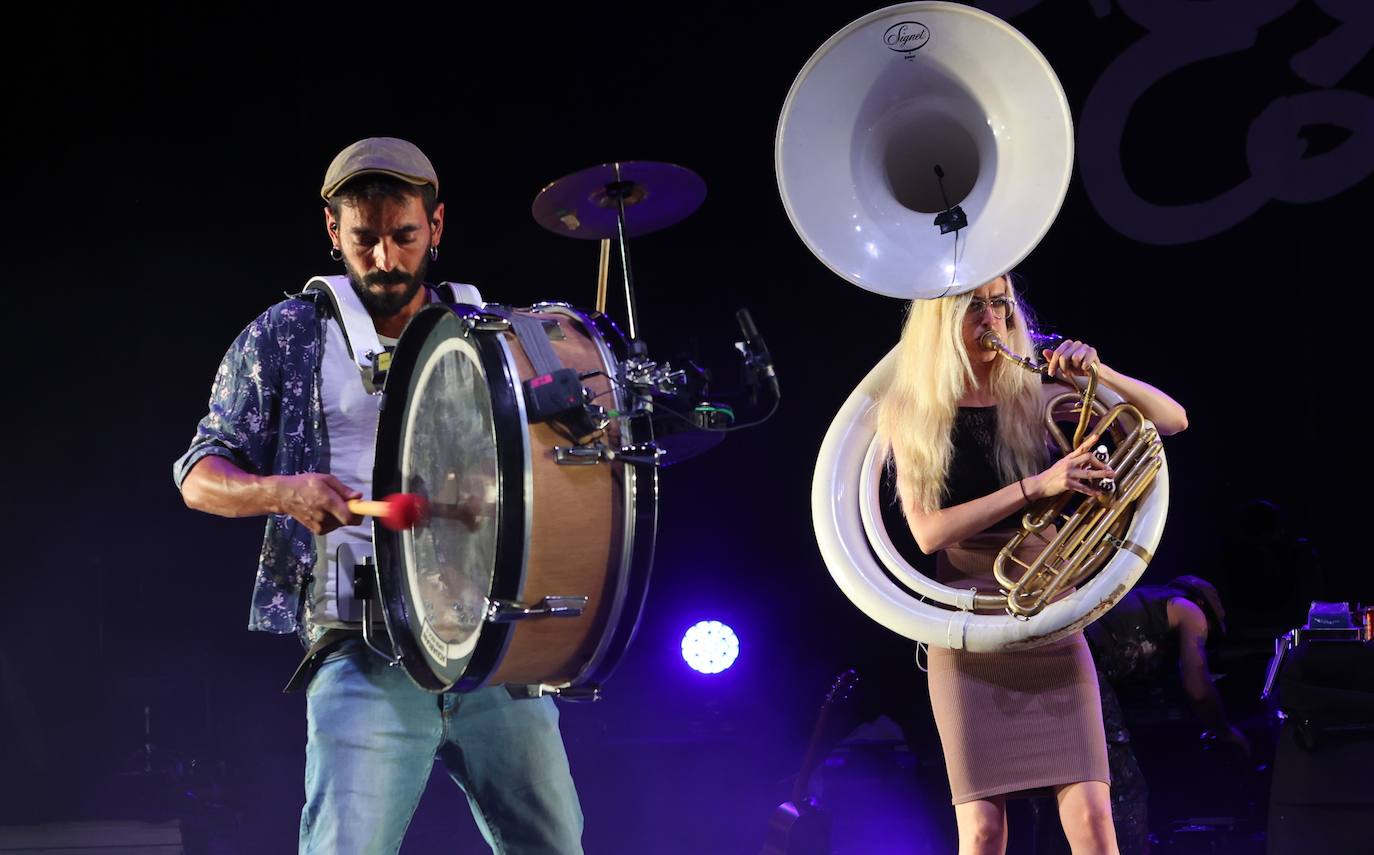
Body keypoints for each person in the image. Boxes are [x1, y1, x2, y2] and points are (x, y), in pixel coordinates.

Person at [173, 137, 584, 854]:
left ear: (438, 225)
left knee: (553, 845)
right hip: (364, 644)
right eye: (364, 239)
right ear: (333, 231)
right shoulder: (287, 337)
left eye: (404, 236)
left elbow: (571, 449)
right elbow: (199, 474)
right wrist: (283, 489)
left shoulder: (492, 333)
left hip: (490, 642)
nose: (387, 260)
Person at [875, 272, 1188, 855]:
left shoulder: (1034, 390)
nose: (992, 320)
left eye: (1001, 305)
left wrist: (1101, 375)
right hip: (967, 626)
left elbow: (1172, 421)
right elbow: (927, 533)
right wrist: (1038, 485)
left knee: (1095, 820)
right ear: (939, 321)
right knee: (985, 830)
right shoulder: (913, 410)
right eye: (974, 308)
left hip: (1047, 615)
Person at [1079, 574, 1250, 855]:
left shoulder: (1152, 606)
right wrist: (1225, 730)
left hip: (1067, 667)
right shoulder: (1189, 610)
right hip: (1083, 670)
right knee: (1125, 791)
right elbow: (1198, 687)